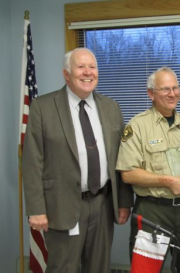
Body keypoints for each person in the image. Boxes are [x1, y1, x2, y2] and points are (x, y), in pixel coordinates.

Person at [22, 48, 134, 273]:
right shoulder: (43, 107)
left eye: (92, 67)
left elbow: (121, 159)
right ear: (66, 74)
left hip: (103, 205)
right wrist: (36, 209)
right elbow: (32, 162)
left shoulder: (111, 108)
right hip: (61, 206)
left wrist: (123, 201)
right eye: (80, 67)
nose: (88, 73)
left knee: (99, 268)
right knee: (63, 268)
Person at [116, 67, 180, 273]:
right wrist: (168, 181)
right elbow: (128, 173)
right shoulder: (137, 126)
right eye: (165, 89)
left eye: (175, 88)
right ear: (151, 94)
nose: (172, 93)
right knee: (145, 269)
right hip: (153, 210)